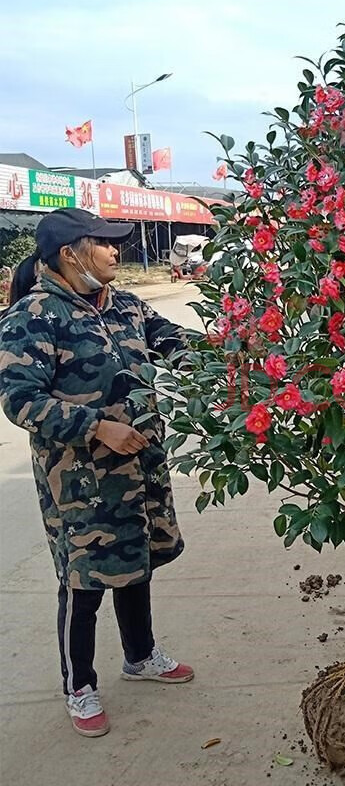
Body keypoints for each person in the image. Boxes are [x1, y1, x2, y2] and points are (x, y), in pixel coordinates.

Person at [0, 208, 194, 738]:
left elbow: (173, 341)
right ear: (70, 253)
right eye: (104, 244)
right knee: (84, 582)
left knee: (137, 561)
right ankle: (78, 686)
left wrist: (237, 351)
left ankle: (140, 655)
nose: (116, 252)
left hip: (140, 467)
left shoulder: (124, 304)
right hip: (81, 481)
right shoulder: (34, 316)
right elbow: (19, 399)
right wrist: (96, 427)